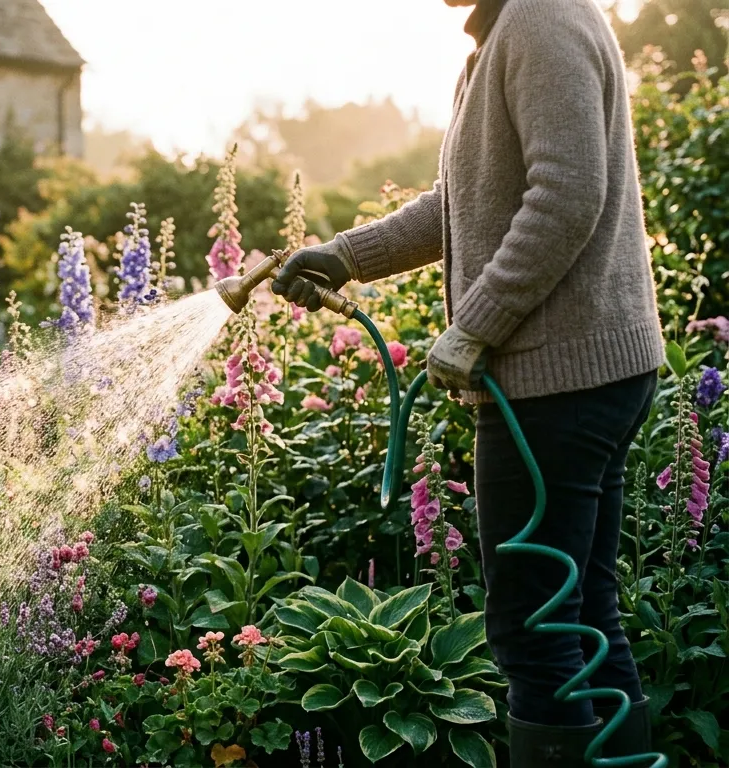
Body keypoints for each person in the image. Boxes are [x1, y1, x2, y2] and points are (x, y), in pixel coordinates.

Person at [271, 0, 664, 765]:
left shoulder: (540, 20)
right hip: (581, 372)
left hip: (555, 381)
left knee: (533, 627)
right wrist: (346, 256)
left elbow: (566, 196)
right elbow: (459, 206)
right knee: (579, 614)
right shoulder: (510, 30)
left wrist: (476, 324)